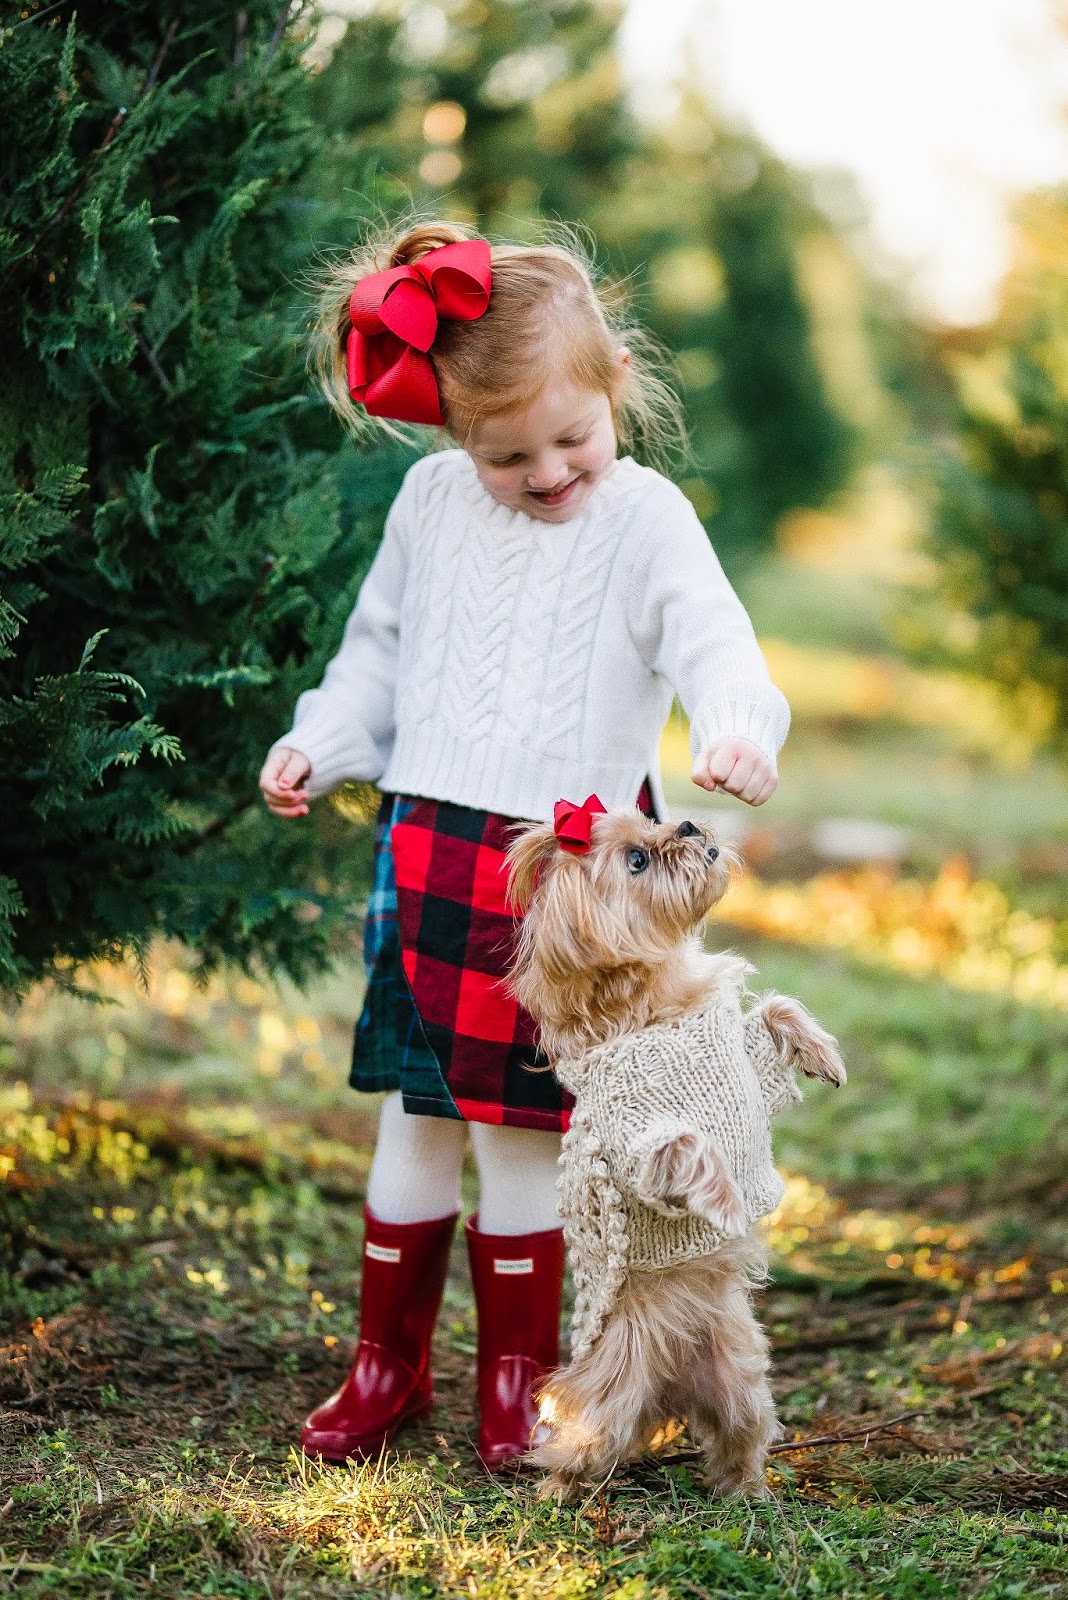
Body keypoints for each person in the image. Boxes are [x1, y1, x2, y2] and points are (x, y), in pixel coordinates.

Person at [258, 221, 790, 1471]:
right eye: (506, 455)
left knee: (525, 1127)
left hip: (562, 878)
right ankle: (384, 1366)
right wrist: (321, 740)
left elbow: (714, 638)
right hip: (427, 847)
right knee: (415, 1117)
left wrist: (735, 726)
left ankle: (517, 1376)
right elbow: (376, 652)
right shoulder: (427, 504)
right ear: (451, 432)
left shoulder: (648, 518)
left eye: (572, 439)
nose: (547, 473)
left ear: (616, 386)